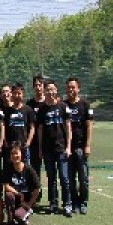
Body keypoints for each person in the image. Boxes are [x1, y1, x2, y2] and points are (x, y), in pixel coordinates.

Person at [38, 80, 73, 217]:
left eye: (52, 89)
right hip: (48, 150)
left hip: (61, 149)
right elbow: (40, 130)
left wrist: (68, 147)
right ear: (44, 91)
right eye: (48, 89)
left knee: (64, 177)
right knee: (51, 178)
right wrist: (40, 149)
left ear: (56, 90)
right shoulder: (42, 109)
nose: (50, 92)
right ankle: (53, 203)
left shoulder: (63, 106)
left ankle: (67, 204)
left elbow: (69, 128)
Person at [65, 77, 93, 214]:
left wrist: (87, 145)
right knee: (70, 178)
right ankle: (75, 202)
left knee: (83, 178)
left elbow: (89, 126)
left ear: (78, 88)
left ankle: (83, 202)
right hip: (68, 149)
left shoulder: (85, 104)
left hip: (81, 147)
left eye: (73, 87)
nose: (71, 89)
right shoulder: (63, 105)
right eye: (69, 87)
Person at [2, 141, 41, 225]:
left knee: (20, 221)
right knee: (8, 195)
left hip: (26, 201)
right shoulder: (8, 168)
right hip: (15, 198)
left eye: (16, 153)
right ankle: (10, 222)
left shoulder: (29, 169)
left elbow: (37, 188)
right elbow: (6, 186)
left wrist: (29, 204)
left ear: (21, 154)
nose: (14, 156)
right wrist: (18, 193)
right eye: (12, 153)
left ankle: (23, 214)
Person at [3, 82, 35, 167]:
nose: (17, 96)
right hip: (11, 146)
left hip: (23, 146)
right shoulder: (7, 111)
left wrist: (28, 142)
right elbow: (4, 127)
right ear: (11, 94)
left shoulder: (28, 110)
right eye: (15, 93)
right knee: (10, 169)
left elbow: (32, 127)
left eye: (19, 93)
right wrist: (5, 141)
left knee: (25, 168)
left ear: (23, 94)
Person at [27, 75, 46, 200]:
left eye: (40, 85)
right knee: (34, 169)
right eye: (36, 85)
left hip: (48, 141)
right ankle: (36, 195)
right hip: (34, 142)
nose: (38, 87)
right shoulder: (30, 104)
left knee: (51, 171)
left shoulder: (48, 102)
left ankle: (53, 199)